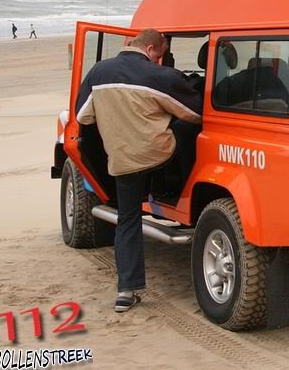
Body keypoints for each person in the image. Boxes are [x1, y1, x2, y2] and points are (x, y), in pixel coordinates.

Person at [75, 29, 202, 313]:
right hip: (158, 156)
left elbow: (83, 116)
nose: (160, 59)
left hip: (122, 161)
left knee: (128, 220)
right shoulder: (159, 76)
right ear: (153, 48)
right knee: (183, 128)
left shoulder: (98, 72)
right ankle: (175, 189)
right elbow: (194, 114)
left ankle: (126, 291)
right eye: (161, 54)